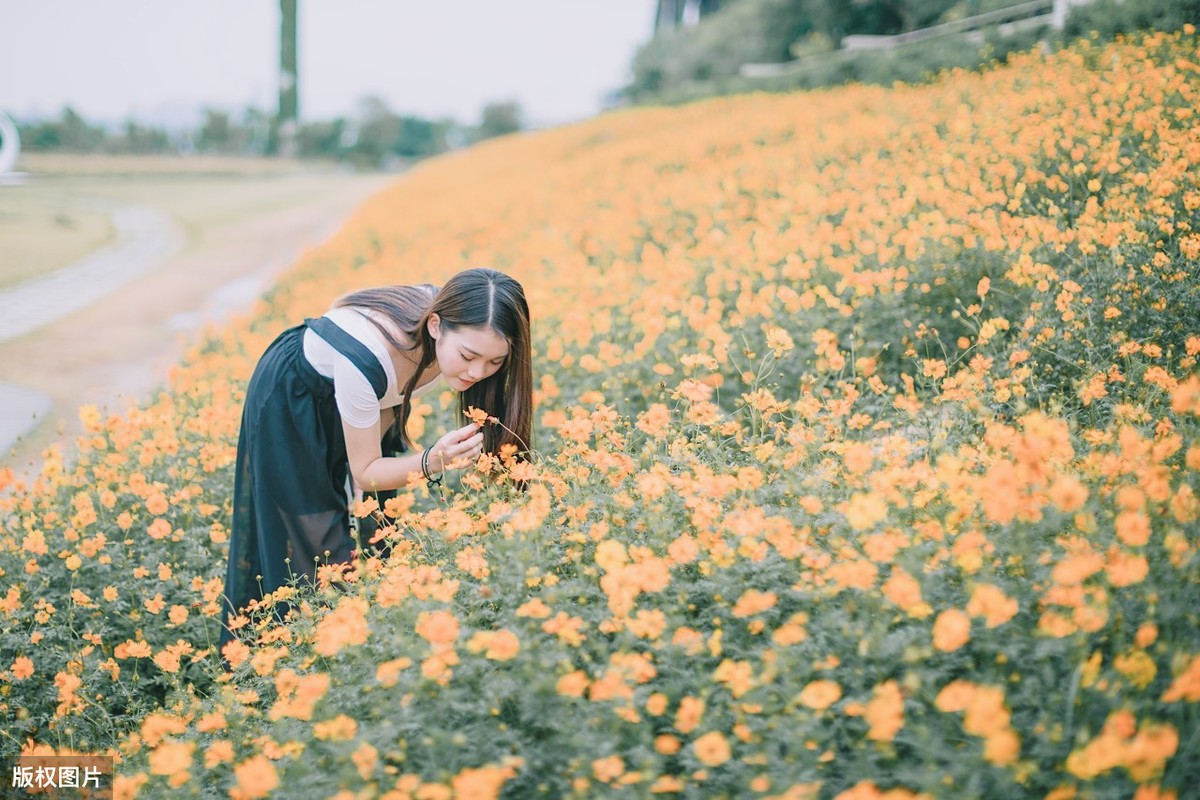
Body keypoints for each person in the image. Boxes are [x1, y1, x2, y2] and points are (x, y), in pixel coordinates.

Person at [220, 267, 532, 651]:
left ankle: (365, 634)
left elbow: (386, 404)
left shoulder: (456, 315)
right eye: (468, 356)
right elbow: (366, 472)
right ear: (435, 326)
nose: (478, 373)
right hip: (292, 395)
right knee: (313, 537)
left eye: (495, 363)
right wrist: (432, 461)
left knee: (378, 524)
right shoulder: (366, 360)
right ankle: (288, 650)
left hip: (357, 393)